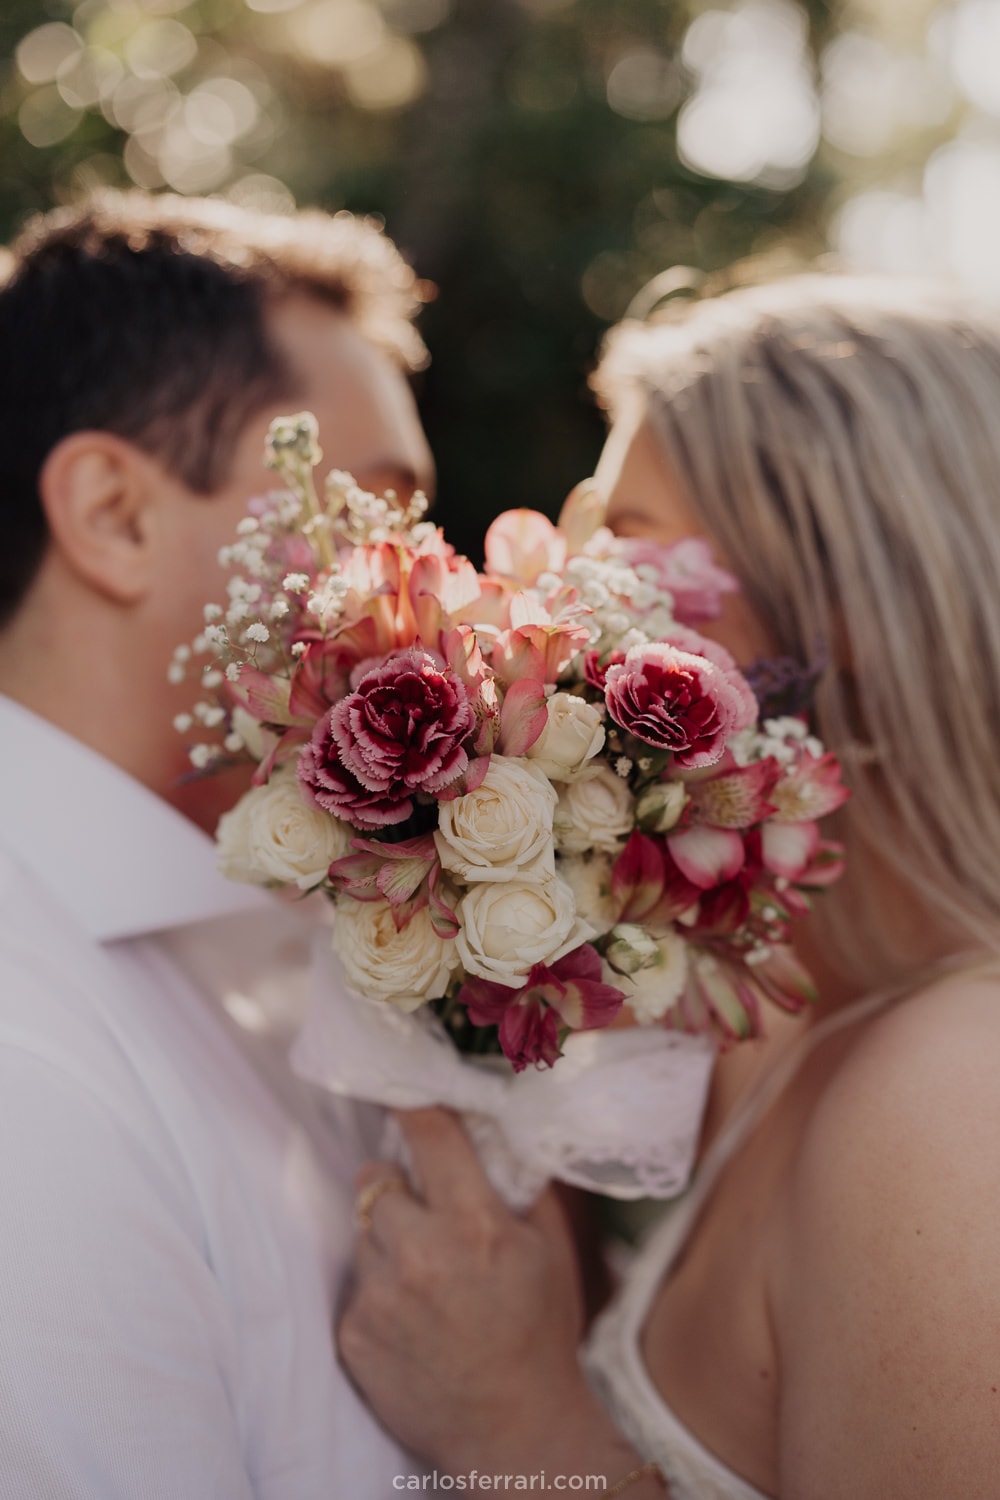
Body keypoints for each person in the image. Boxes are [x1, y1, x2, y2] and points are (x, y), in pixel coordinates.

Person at [337, 276, 1000, 1499]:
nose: (567, 587)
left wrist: (519, 1428)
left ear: (843, 603)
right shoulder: (791, 1014)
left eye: (629, 538)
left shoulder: (954, 1105)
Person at [0, 191, 433, 1497]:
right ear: (116, 516)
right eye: (370, 512)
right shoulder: (25, 1064)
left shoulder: (304, 934)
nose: (423, 584)